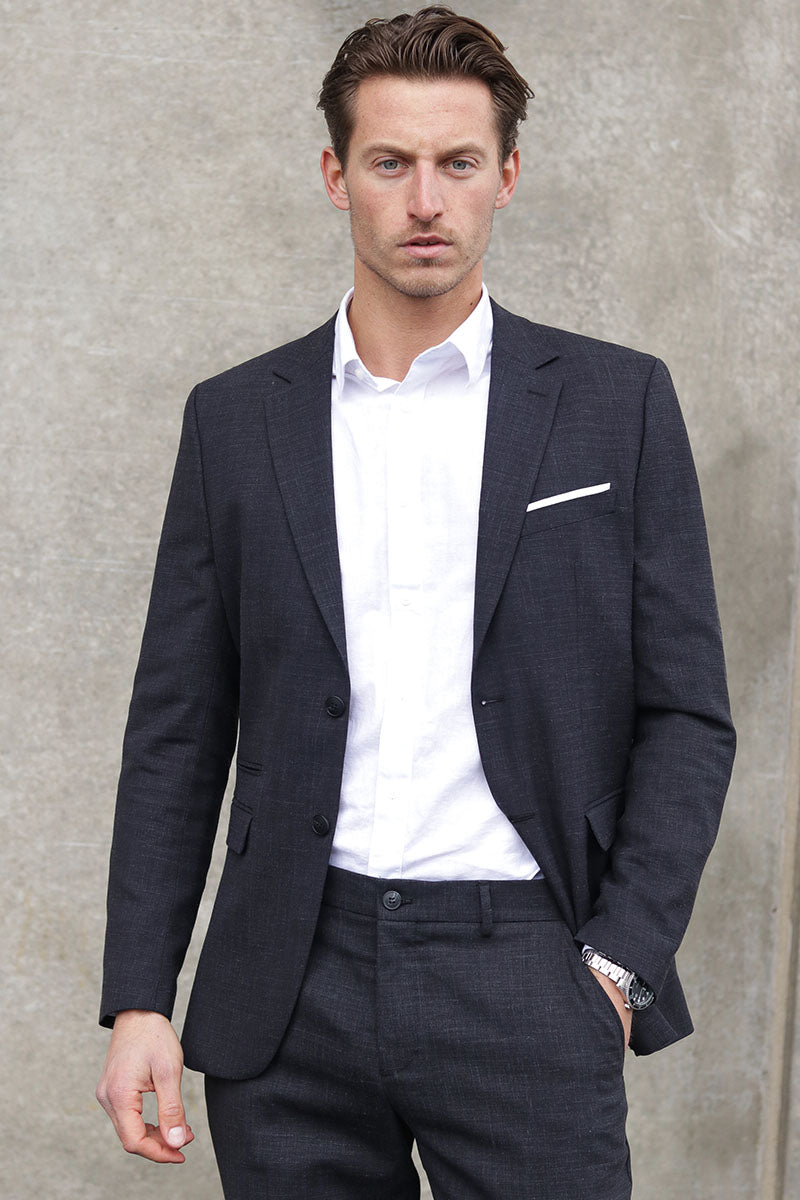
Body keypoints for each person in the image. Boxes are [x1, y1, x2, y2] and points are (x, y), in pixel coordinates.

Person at [96, 8, 736, 1197]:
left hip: (526, 973)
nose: (425, 201)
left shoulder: (614, 405)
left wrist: (616, 962)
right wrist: (141, 996)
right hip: (288, 984)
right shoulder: (236, 420)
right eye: (390, 162)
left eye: (458, 162)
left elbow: (686, 713)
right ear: (335, 175)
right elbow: (177, 728)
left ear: (507, 176)